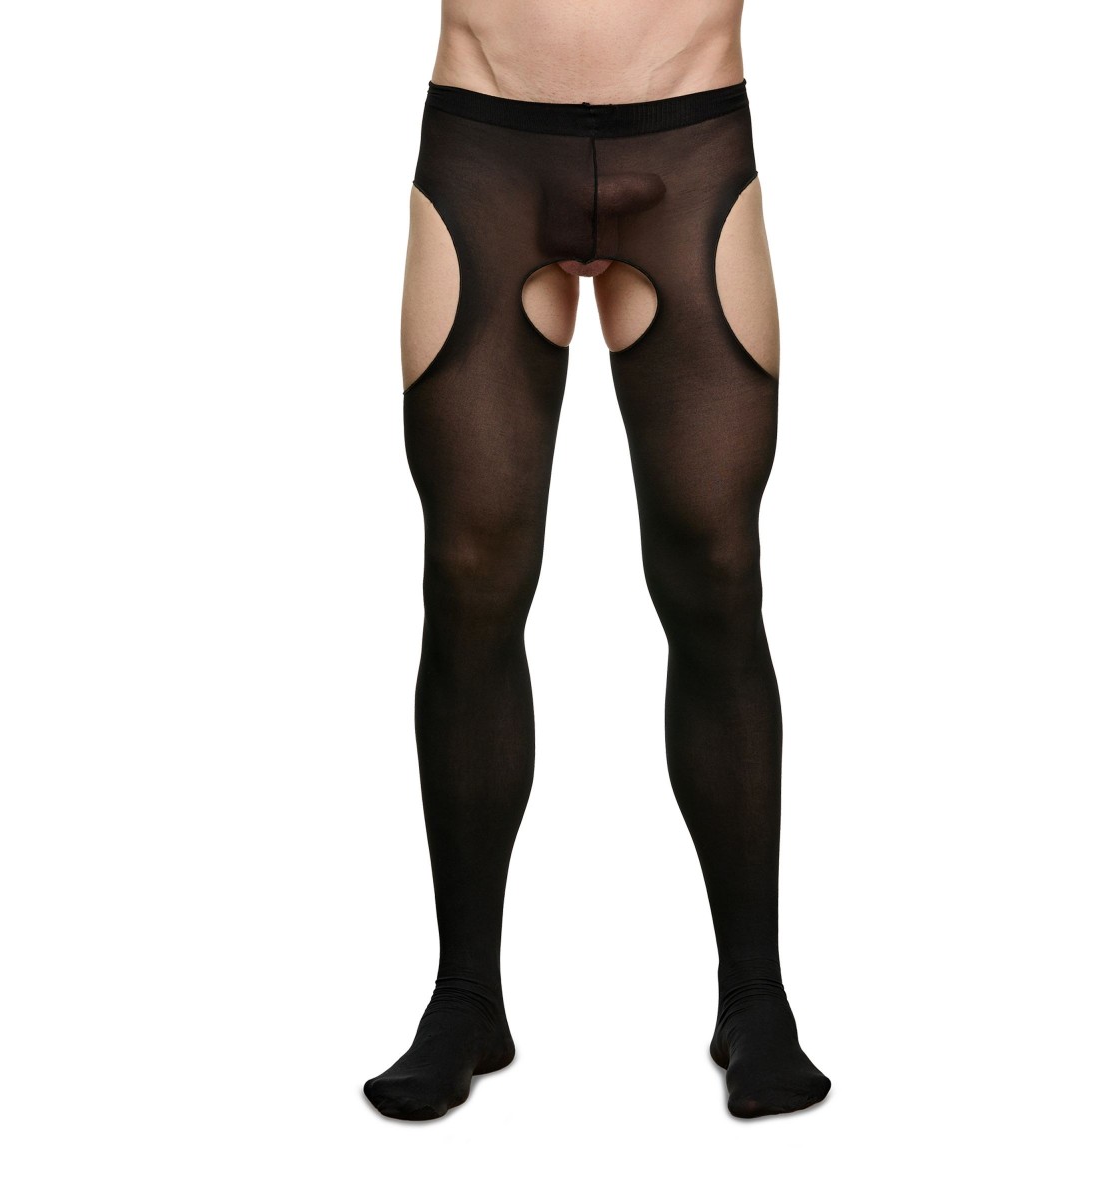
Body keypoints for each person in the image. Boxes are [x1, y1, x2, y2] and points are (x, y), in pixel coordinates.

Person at [364, 0, 831, 1120]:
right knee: (469, 580)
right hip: (485, 142)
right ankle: (465, 995)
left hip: (689, 138)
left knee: (715, 572)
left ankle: (755, 996)